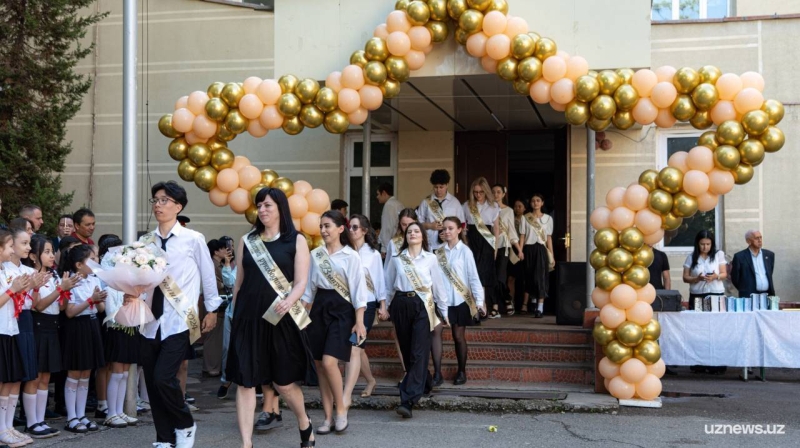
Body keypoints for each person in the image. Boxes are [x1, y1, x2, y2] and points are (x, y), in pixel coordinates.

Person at [130, 181, 221, 448]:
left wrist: (212, 309)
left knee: (163, 377)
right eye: (155, 200)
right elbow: (138, 278)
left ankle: (184, 423)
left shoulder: (193, 239)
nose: (158, 205)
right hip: (149, 321)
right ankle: (164, 438)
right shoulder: (145, 242)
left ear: (178, 206)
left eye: (164, 200)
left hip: (179, 320)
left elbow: (207, 276)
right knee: (152, 382)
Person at [225, 187, 315, 448]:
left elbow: (301, 282)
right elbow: (239, 283)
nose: (262, 210)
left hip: (279, 318)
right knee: (244, 381)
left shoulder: (295, 240)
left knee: (283, 382)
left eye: (268, 205)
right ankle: (246, 443)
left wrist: (289, 301)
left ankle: (304, 422)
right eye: (259, 205)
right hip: (247, 320)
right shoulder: (247, 240)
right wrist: (235, 313)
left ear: (280, 209)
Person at [302, 210, 367, 435]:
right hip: (319, 308)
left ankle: (341, 409)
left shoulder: (351, 256)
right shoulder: (316, 254)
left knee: (330, 362)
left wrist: (359, 321)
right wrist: (302, 313)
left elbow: (359, 291)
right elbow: (310, 288)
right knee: (320, 366)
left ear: (341, 229)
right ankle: (328, 417)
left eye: (328, 226)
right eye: (321, 226)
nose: (323, 230)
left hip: (342, 310)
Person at [384, 221, 447, 418]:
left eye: (416, 231)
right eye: (409, 231)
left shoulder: (430, 259)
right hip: (401, 305)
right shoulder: (397, 259)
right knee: (407, 349)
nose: (412, 233)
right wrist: (384, 306)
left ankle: (407, 400)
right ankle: (426, 382)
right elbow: (388, 286)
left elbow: (438, 286)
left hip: (422, 306)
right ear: (405, 236)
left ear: (423, 236)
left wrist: (443, 312)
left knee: (419, 351)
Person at [21, 236, 78, 439]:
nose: (51, 255)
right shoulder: (30, 274)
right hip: (37, 325)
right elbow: (38, 305)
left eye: (52, 251)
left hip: (52, 326)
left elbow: (60, 307)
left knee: (46, 377)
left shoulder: (54, 275)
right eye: (46, 251)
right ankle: (31, 422)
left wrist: (65, 290)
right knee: (35, 376)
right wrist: (60, 289)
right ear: (34, 256)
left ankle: (40, 419)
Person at [60, 244, 107, 433]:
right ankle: (71, 417)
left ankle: (81, 415)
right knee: (75, 372)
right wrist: (91, 300)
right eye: (92, 259)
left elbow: (101, 309)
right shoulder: (72, 281)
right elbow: (70, 312)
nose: (96, 262)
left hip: (92, 324)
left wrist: (100, 299)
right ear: (79, 264)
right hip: (76, 328)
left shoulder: (92, 279)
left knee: (87, 372)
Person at [97, 236, 139, 429]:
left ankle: (120, 410)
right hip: (115, 328)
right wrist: (122, 305)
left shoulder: (127, 278)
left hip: (129, 325)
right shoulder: (107, 280)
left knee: (124, 373)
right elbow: (109, 309)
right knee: (116, 371)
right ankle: (111, 412)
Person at [437, 217, 485, 385]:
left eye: (450, 228)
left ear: (459, 230)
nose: (447, 231)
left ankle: (461, 371)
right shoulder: (438, 252)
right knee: (436, 336)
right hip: (442, 301)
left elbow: (473, 277)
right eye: (444, 229)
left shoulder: (465, 251)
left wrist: (479, 301)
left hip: (460, 300)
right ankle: (437, 373)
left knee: (458, 336)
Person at [0, 229, 36, 447]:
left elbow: (13, 300)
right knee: (3, 383)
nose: (13, 250)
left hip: (11, 329)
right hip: (1, 331)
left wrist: (25, 289)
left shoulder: (5, 271)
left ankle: (8, 426)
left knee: (13, 381)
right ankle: (2, 428)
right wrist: (13, 290)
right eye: (10, 246)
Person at [347, 214, 387, 399]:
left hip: (368, 305)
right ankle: (370, 380)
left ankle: (344, 393)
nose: (351, 230)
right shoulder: (344, 252)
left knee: (355, 346)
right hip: (348, 304)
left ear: (364, 230)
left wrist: (383, 304)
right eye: (350, 227)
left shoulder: (374, 254)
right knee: (357, 348)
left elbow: (379, 280)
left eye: (355, 227)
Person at [682, 230, 727, 374]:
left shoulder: (718, 255)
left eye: (708, 244)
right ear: (697, 244)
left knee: (716, 328)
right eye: (702, 244)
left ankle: (717, 363)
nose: (705, 247)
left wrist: (715, 276)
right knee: (699, 328)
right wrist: (697, 279)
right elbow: (685, 277)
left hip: (715, 295)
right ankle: (699, 362)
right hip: (698, 296)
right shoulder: (691, 257)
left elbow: (724, 273)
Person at [462, 177, 500, 318]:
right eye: (476, 192)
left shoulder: (493, 206)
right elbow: (463, 226)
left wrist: (495, 248)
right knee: (472, 272)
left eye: (481, 192)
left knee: (483, 274)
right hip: (472, 240)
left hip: (487, 241)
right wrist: (465, 242)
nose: (478, 195)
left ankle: (482, 306)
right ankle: (473, 307)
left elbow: (496, 228)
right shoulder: (466, 205)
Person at [520, 193, 554, 318]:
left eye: (538, 200)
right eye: (533, 201)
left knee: (540, 277)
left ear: (542, 203)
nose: (535, 203)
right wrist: (520, 250)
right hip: (528, 249)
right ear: (530, 203)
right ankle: (533, 302)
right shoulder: (525, 218)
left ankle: (540, 307)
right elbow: (522, 235)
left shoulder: (548, 219)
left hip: (541, 249)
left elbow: (548, 238)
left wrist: (552, 255)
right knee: (530, 277)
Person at [492, 184, 523, 317]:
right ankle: (495, 306)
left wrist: (519, 249)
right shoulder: (488, 209)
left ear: (503, 194)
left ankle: (507, 298)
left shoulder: (509, 210)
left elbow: (511, 230)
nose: (496, 194)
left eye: (499, 192)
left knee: (500, 277)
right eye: (493, 192)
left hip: (503, 246)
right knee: (491, 277)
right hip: (490, 246)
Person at [416, 169, 464, 251]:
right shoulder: (426, 202)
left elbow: (462, 225)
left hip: (450, 245)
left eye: (441, 187)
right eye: (436, 187)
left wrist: (449, 233)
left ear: (447, 185)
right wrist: (430, 226)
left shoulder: (455, 203)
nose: (438, 190)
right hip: (430, 245)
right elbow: (418, 224)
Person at [216, 236, 236, 400]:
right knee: (227, 348)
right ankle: (226, 380)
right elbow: (230, 283)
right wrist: (228, 264)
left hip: (251, 312)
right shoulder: (236, 265)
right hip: (233, 311)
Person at [730, 230, 775, 299]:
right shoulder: (739, 257)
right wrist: (744, 289)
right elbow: (735, 278)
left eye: (760, 237)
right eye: (756, 238)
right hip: (749, 296)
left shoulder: (769, 255)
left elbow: (770, 272)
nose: (760, 240)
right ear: (748, 241)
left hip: (767, 295)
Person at [377, 183, 404, 257]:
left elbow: (387, 228)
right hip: (400, 242)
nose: (377, 197)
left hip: (391, 245)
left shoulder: (389, 205)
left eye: (378, 194)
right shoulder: (399, 203)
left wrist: (384, 248)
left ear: (384, 193)